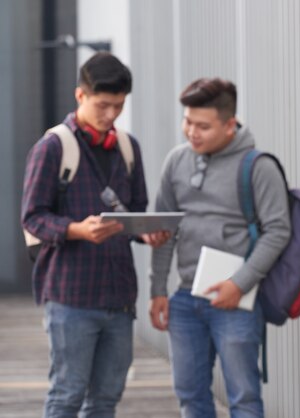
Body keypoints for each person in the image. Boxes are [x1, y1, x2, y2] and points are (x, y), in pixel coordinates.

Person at [21, 51, 170, 417]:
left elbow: (133, 210)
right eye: (103, 105)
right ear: (80, 96)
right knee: (67, 395)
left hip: (119, 297)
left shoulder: (127, 147)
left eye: (118, 106)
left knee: (106, 398)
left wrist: (146, 233)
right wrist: (76, 230)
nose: (110, 115)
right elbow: (32, 217)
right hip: (70, 297)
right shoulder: (52, 148)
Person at [149, 77, 291, 418]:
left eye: (203, 126)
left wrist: (238, 284)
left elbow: (278, 231)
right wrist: (157, 290)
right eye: (187, 122)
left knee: (243, 398)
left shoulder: (258, 166)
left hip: (235, 300)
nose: (191, 132)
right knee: (190, 395)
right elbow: (164, 230)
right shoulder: (176, 162)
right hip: (184, 299)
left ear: (230, 125)